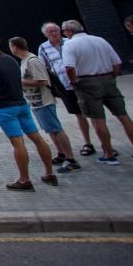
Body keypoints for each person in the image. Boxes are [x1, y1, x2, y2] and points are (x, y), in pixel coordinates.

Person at [0, 34, 58, 190]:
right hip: (22, 104)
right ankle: (50, 173)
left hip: (5, 107)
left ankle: (24, 179)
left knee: (18, 143)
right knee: (37, 138)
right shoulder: (12, 61)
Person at [61, 20, 133, 164]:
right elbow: (116, 62)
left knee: (97, 119)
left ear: (69, 31)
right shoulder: (99, 40)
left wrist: (73, 81)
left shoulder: (69, 44)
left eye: (64, 31)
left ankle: (109, 154)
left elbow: (69, 67)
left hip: (87, 82)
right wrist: (113, 76)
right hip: (108, 79)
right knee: (123, 116)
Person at [10, 36, 81, 173]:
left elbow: (43, 81)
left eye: (11, 46)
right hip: (35, 101)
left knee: (56, 128)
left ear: (15, 47)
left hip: (44, 101)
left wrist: (21, 81)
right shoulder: (24, 61)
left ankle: (71, 159)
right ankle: (61, 154)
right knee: (50, 129)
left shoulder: (32, 61)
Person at [39, 22, 95, 156]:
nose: (54, 33)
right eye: (50, 32)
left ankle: (95, 143)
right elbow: (43, 66)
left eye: (56, 30)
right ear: (45, 34)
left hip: (80, 82)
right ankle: (87, 142)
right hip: (65, 86)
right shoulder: (43, 47)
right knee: (78, 114)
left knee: (93, 112)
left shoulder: (70, 42)